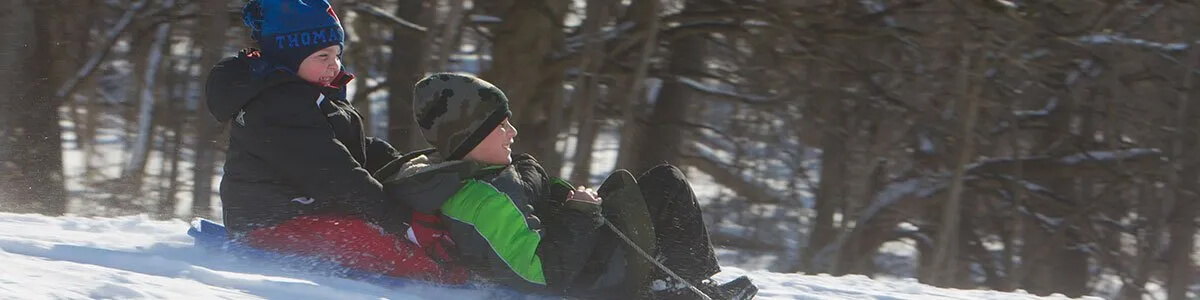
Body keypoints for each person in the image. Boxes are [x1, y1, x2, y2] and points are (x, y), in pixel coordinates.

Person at [380, 73, 758, 299]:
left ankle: (674, 283)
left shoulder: (466, 175)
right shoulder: (482, 200)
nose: (512, 132)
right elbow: (541, 274)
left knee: (640, 187)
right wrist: (580, 214)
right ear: (471, 135)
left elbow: (528, 197)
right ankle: (685, 289)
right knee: (666, 186)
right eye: (501, 126)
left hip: (584, 252)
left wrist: (565, 196)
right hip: (589, 278)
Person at [204, 0, 465, 283]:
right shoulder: (277, 106)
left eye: (337, 55)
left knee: (393, 235)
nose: (334, 66)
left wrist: (406, 166)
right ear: (289, 57)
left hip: (308, 209)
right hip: (270, 223)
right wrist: (402, 221)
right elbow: (334, 173)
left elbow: (348, 149)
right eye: (323, 57)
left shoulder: (309, 94)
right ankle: (457, 283)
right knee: (398, 253)